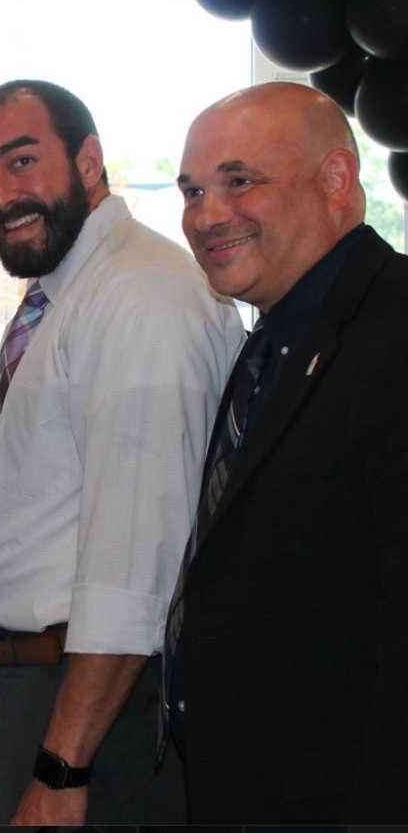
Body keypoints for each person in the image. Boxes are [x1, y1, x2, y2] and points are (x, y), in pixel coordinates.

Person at [0, 80, 243, 825]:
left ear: (89, 161)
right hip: (51, 693)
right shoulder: (74, 292)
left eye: (22, 161)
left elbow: (135, 565)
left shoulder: (139, 292)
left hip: (96, 712)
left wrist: (63, 763)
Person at [168, 82, 408, 824]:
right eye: (192, 191)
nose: (206, 215)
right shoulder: (273, 340)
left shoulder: (394, 330)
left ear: (336, 179)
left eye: (239, 181)